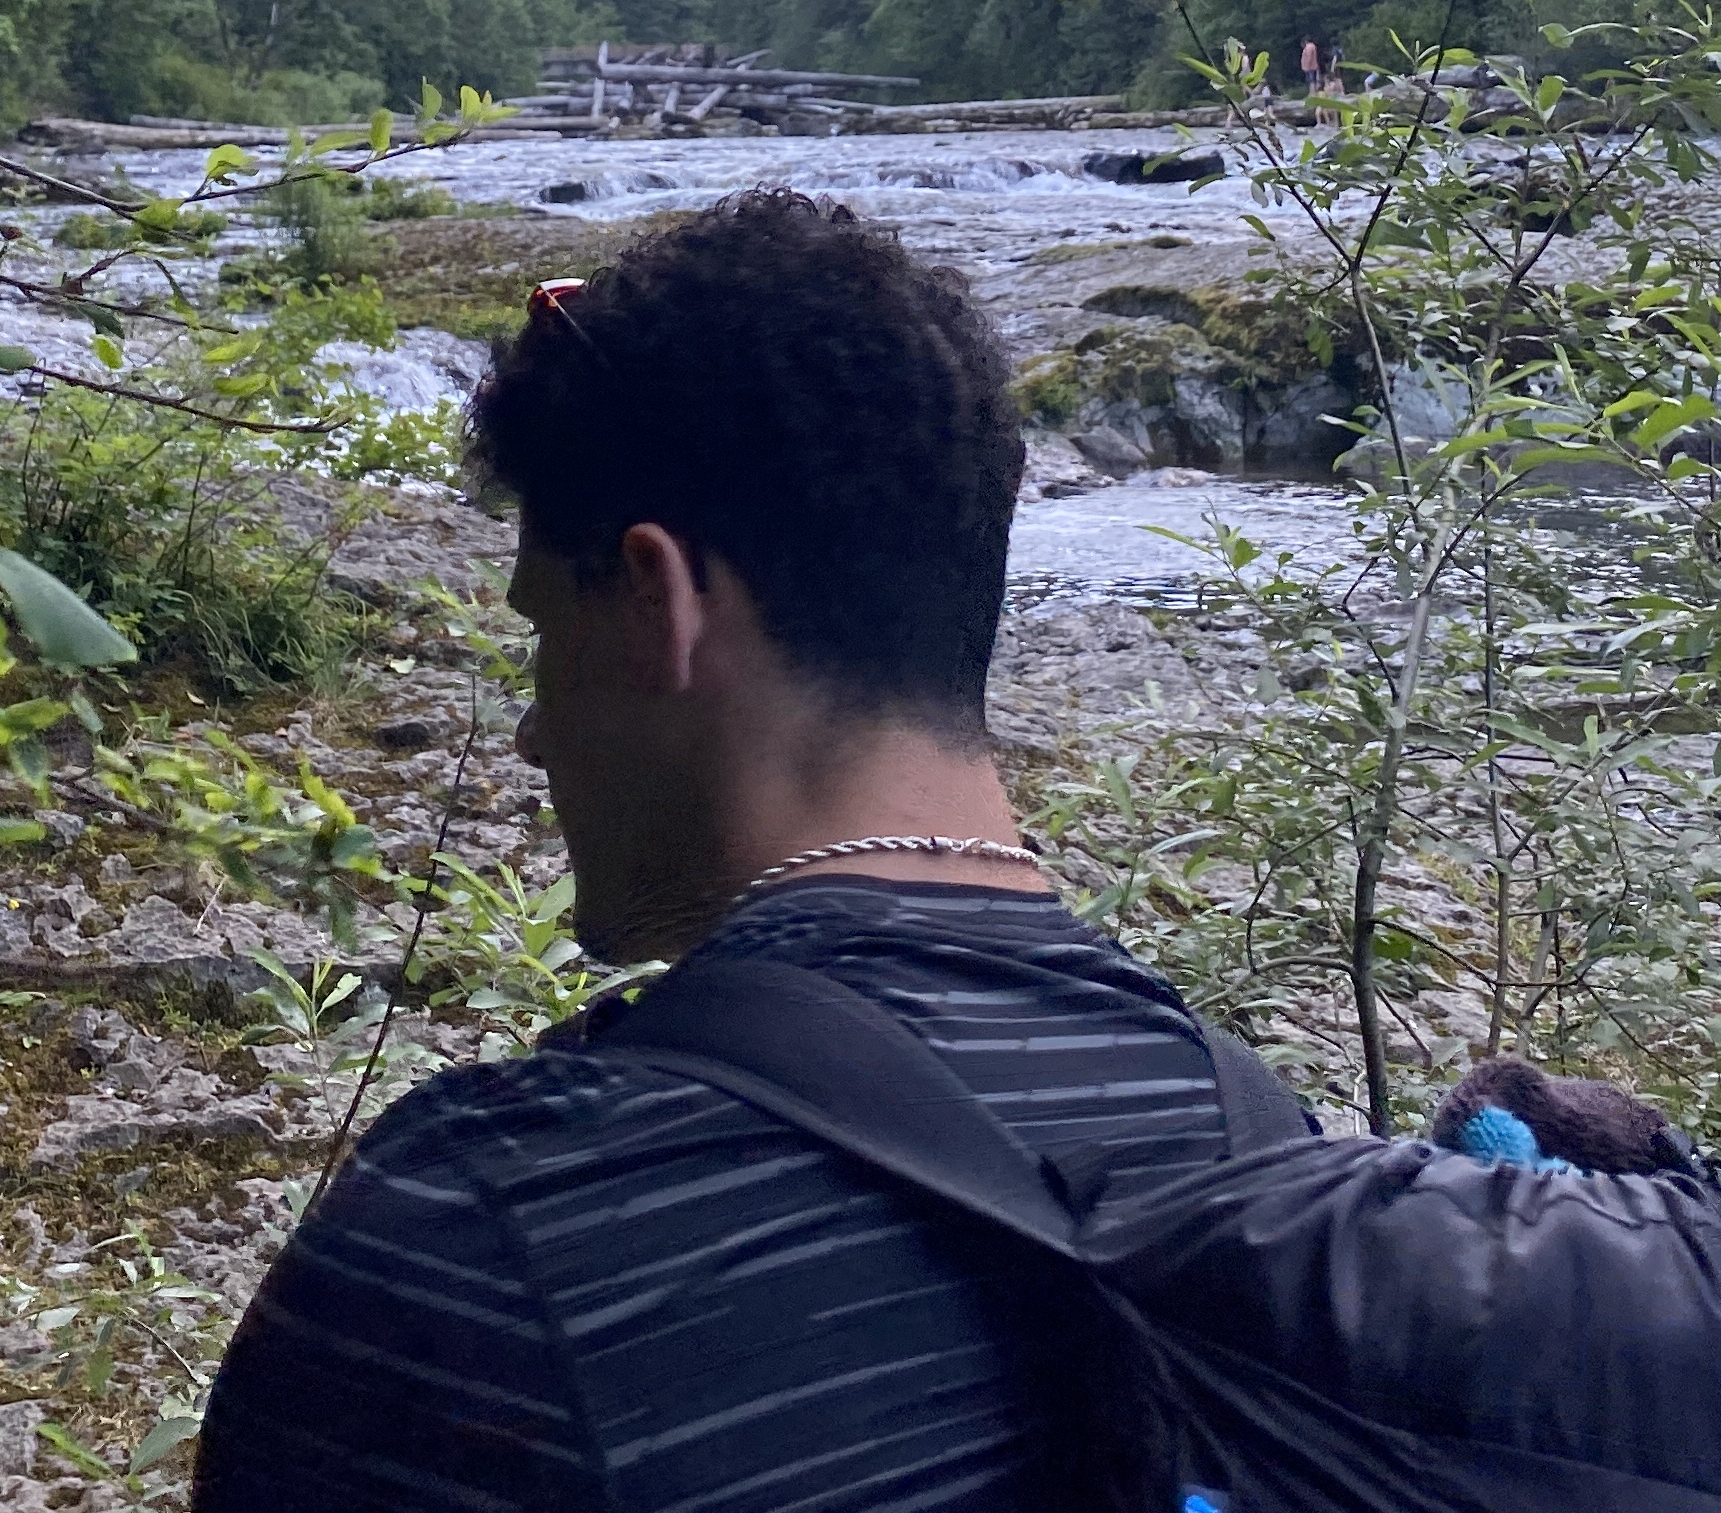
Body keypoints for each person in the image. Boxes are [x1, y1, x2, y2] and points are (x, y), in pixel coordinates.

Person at [193, 187, 1235, 1511]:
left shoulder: (490, 1241)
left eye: (540, 635)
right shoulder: (1264, 1144)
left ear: (652, 603)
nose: (531, 733)